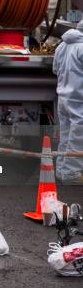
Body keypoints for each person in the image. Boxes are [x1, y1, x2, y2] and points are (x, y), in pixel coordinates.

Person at [53, 19, 83, 183]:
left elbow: (55, 69)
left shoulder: (61, 46)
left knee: (65, 134)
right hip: (79, 99)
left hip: (63, 97)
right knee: (78, 136)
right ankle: (72, 173)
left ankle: (62, 170)